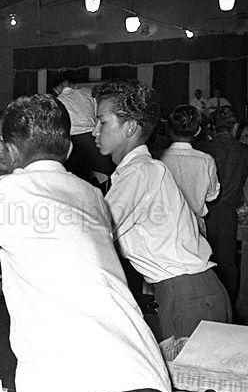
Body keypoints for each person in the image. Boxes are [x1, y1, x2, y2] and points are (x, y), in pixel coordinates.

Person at [0, 94, 173, 392]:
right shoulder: (92, 195)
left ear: (8, 152)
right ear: (70, 147)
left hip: (93, 388)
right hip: (147, 379)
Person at [94, 79, 231, 338]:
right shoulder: (139, 170)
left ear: (130, 127)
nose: (94, 131)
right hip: (187, 292)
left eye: (102, 122)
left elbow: (95, 230)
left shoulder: (140, 172)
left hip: (187, 296)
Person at [196, 106, 248, 318]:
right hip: (228, 214)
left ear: (212, 127)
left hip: (202, 212)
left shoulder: (203, 148)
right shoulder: (244, 151)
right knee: (228, 265)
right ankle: (229, 314)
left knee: (202, 263)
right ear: (235, 126)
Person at [154, 105, 219, 236]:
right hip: (194, 227)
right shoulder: (206, 160)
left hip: (161, 227)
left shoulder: (155, 158)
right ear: (198, 131)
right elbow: (212, 195)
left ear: (169, 130)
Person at [54, 75, 114, 184]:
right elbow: (98, 115)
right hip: (90, 136)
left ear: (57, 89)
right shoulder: (87, 93)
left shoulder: (57, 100)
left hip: (71, 140)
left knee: (77, 177)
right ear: (74, 85)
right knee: (105, 172)